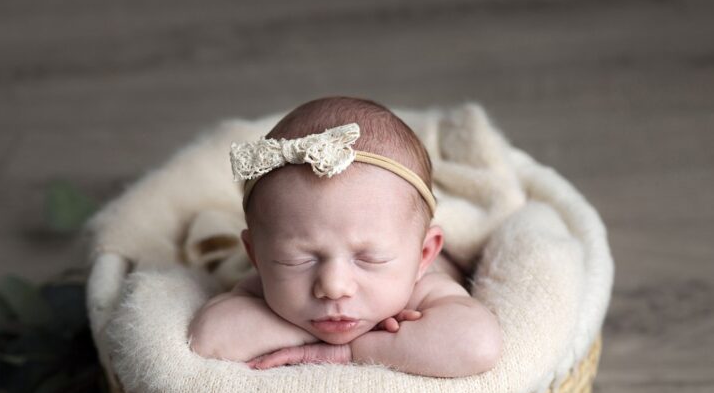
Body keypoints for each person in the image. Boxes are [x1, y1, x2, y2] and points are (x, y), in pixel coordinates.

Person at [187, 96, 502, 378]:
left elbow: (478, 345)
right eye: (298, 259)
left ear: (423, 256)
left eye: (369, 258)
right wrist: (323, 333)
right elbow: (209, 338)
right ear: (255, 256)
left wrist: (347, 351)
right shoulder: (268, 288)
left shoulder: (424, 290)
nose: (334, 286)